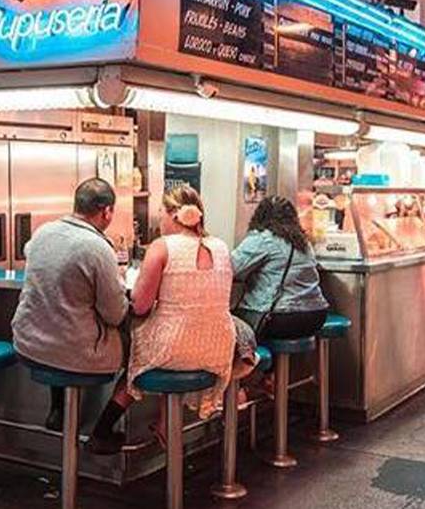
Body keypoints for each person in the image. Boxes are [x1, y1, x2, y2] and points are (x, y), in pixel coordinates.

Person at [88, 185, 235, 453]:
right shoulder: (221, 247)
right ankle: (165, 425)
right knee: (172, 346)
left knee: (136, 362)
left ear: (173, 214)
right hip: (218, 349)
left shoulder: (162, 247)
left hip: (174, 347)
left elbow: (141, 305)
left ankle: (101, 431)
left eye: (160, 213)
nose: (159, 219)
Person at [12, 178, 130, 431]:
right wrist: (118, 279)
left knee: (62, 328)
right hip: (75, 356)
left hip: (29, 347)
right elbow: (115, 314)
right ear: (106, 211)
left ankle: (60, 410)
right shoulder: (98, 248)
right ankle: (104, 429)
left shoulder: (42, 232)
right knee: (142, 349)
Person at [231, 196, 329, 339]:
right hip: (316, 316)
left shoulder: (264, 239)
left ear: (260, 216)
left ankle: (252, 361)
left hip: (280, 318)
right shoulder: (303, 242)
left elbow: (231, 269)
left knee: (226, 323)